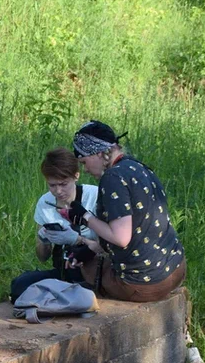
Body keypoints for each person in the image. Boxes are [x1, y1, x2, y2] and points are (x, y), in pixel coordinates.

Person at [67, 121, 186, 303]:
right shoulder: (136, 166)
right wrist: (93, 247)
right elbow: (138, 228)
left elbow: (121, 238)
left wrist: (84, 216)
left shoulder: (112, 178)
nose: (85, 169)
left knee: (84, 268)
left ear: (98, 153)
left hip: (145, 284)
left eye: (84, 162)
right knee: (92, 257)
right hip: (175, 268)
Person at [10, 147, 101, 302]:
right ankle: (67, 294)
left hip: (94, 271)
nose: (58, 191)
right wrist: (44, 240)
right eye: (52, 185)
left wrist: (78, 240)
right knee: (19, 286)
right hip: (63, 272)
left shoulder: (95, 196)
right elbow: (42, 257)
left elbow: (108, 248)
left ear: (76, 176)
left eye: (63, 184)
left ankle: (69, 295)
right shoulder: (45, 203)